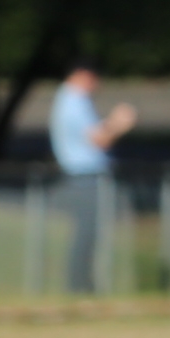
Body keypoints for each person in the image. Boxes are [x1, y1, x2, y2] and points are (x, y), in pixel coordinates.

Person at [48, 64, 121, 296]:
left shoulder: (68, 99)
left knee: (89, 235)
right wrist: (119, 123)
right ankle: (80, 287)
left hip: (84, 177)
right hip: (83, 177)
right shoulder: (74, 100)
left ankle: (83, 286)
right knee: (86, 236)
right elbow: (99, 139)